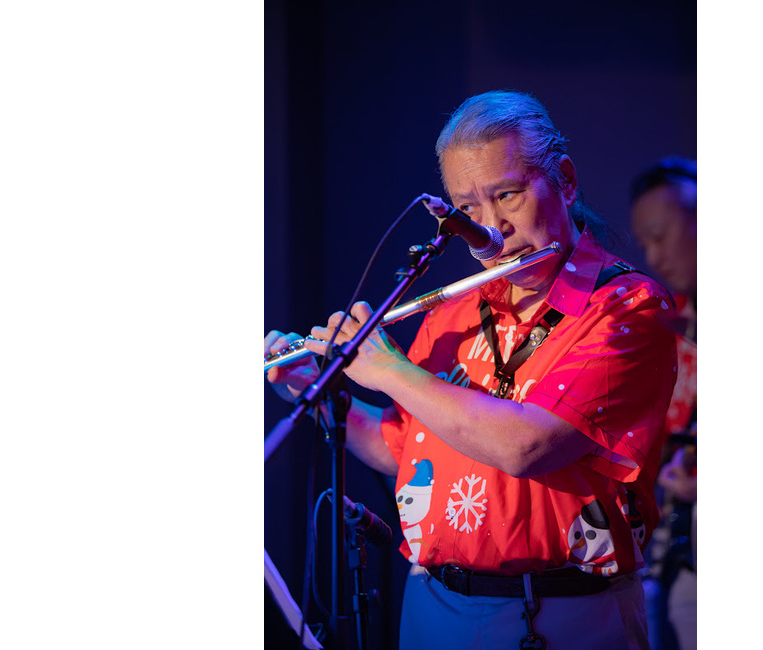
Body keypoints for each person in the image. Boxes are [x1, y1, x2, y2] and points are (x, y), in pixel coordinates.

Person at [266, 90, 677, 649]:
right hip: (435, 603)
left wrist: (389, 370)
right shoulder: (455, 311)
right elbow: (404, 448)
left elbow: (527, 446)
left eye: (507, 195)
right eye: (468, 209)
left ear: (565, 180)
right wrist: (310, 391)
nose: (491, 231)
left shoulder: (627, 307)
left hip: (569, 614)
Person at [630, 156, 698, 650]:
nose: (653, 257)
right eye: (645, 243)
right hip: (676, 549)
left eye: (661, 236)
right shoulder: (666, 323)